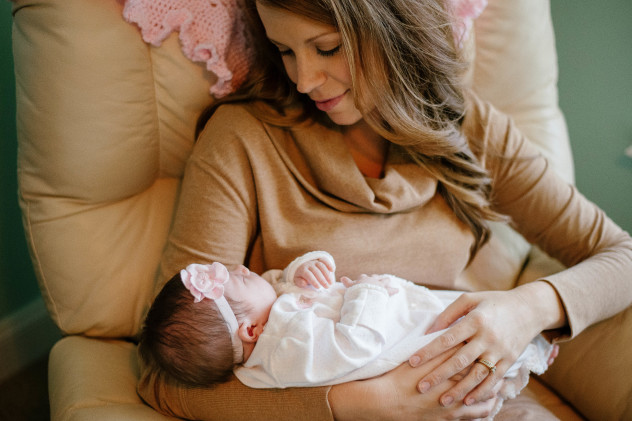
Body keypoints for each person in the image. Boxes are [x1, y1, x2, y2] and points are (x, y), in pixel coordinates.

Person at [137, 0, 632, 419]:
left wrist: (529, 308)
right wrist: (369, 402)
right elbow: (166, 379)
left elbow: (622, 257)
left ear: (392, 27)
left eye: (327, 48)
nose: (305, 79)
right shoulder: (242, 139)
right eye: (285, 50)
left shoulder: (469, 127)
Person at [140, 251, 556, 419]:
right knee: (440, 324)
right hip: (397, 344)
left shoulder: (272, 317)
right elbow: (354, 344)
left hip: (408, 321)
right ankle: (529, 350)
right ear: (250, 330)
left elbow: (294, 287)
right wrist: (367, 290)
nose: (241, 267)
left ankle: (528, 341)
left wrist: (307, 267)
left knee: (453, 312)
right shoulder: (283, 347)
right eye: (236, 278)